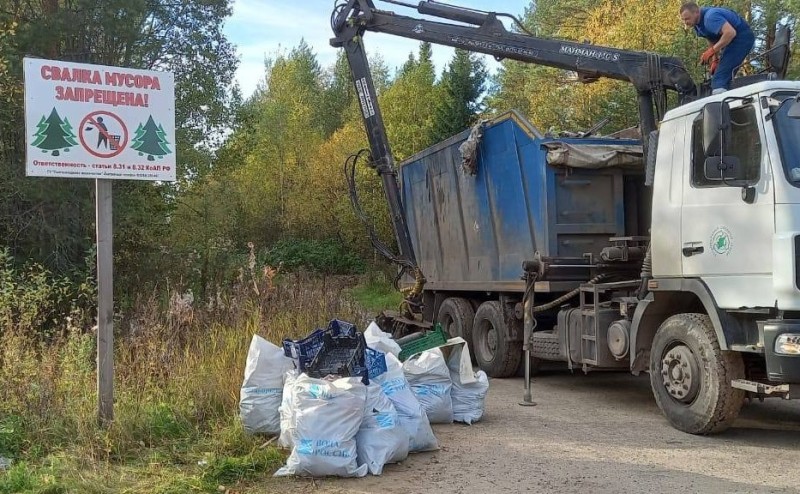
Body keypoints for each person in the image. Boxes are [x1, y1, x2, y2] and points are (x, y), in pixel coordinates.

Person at [679, 2, 755, 94]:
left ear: (696, 12)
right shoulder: (697, 25)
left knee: (719, 80)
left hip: (742, 38)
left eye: (687, 18)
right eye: (683, 20)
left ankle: (721, 104)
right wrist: (715, 59)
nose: (685, 23)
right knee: (718, 75)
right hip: (731, 41)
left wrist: (711, 51)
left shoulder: (710, 17)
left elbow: (730, 33)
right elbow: (711, 38)